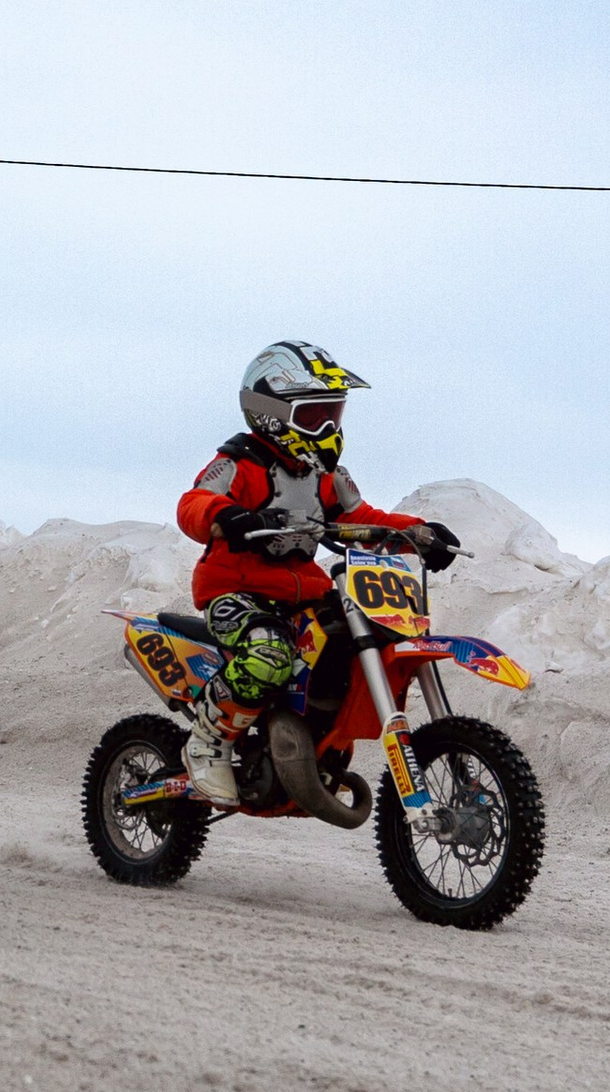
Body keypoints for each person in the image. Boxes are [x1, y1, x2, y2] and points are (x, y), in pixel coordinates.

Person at [173, 343, 461, 805]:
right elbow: (193, 503)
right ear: (270, 413)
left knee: (353, 641)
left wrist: (418, 533)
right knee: (268, 656)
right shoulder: (237, 463)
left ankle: (314, 741)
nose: (327, 427)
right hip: (236, 593)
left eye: (333, 413)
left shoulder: (326, 476)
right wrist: (225, 515)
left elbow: (361, 519)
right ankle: (208, 741)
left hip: (304, 593)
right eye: (313, 416)